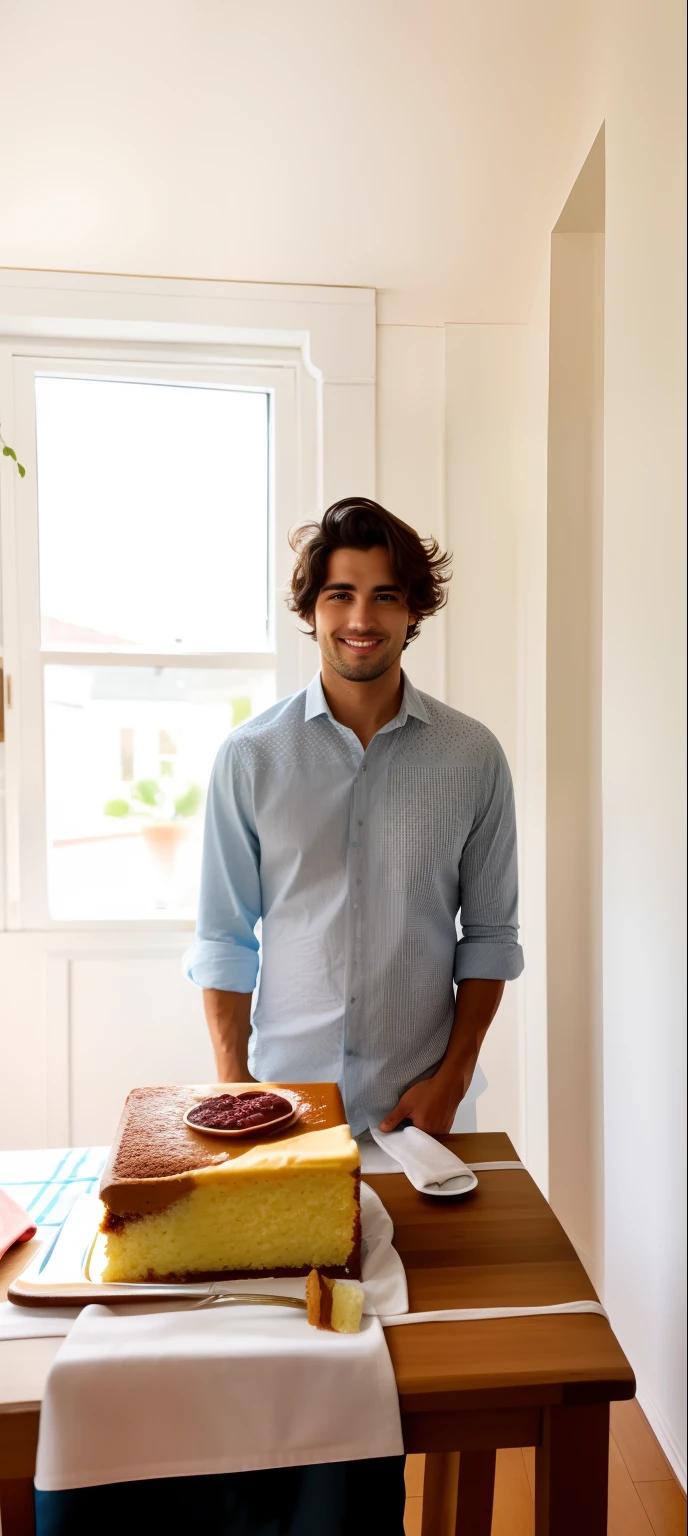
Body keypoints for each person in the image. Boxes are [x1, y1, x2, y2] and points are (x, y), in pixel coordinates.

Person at [180, 497, 523, 1536]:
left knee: (395, 1388)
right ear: (311, 610)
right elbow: (223, 938)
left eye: (383, 595)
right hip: (284, 1123)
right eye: (339, 594)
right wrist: (238, 1089)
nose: (359, 617)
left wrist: (450, 1081)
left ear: (416, 611)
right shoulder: (249, 758)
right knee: (268, 1382)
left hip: (414, 1124)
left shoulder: (472, 757)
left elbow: (489, 936)